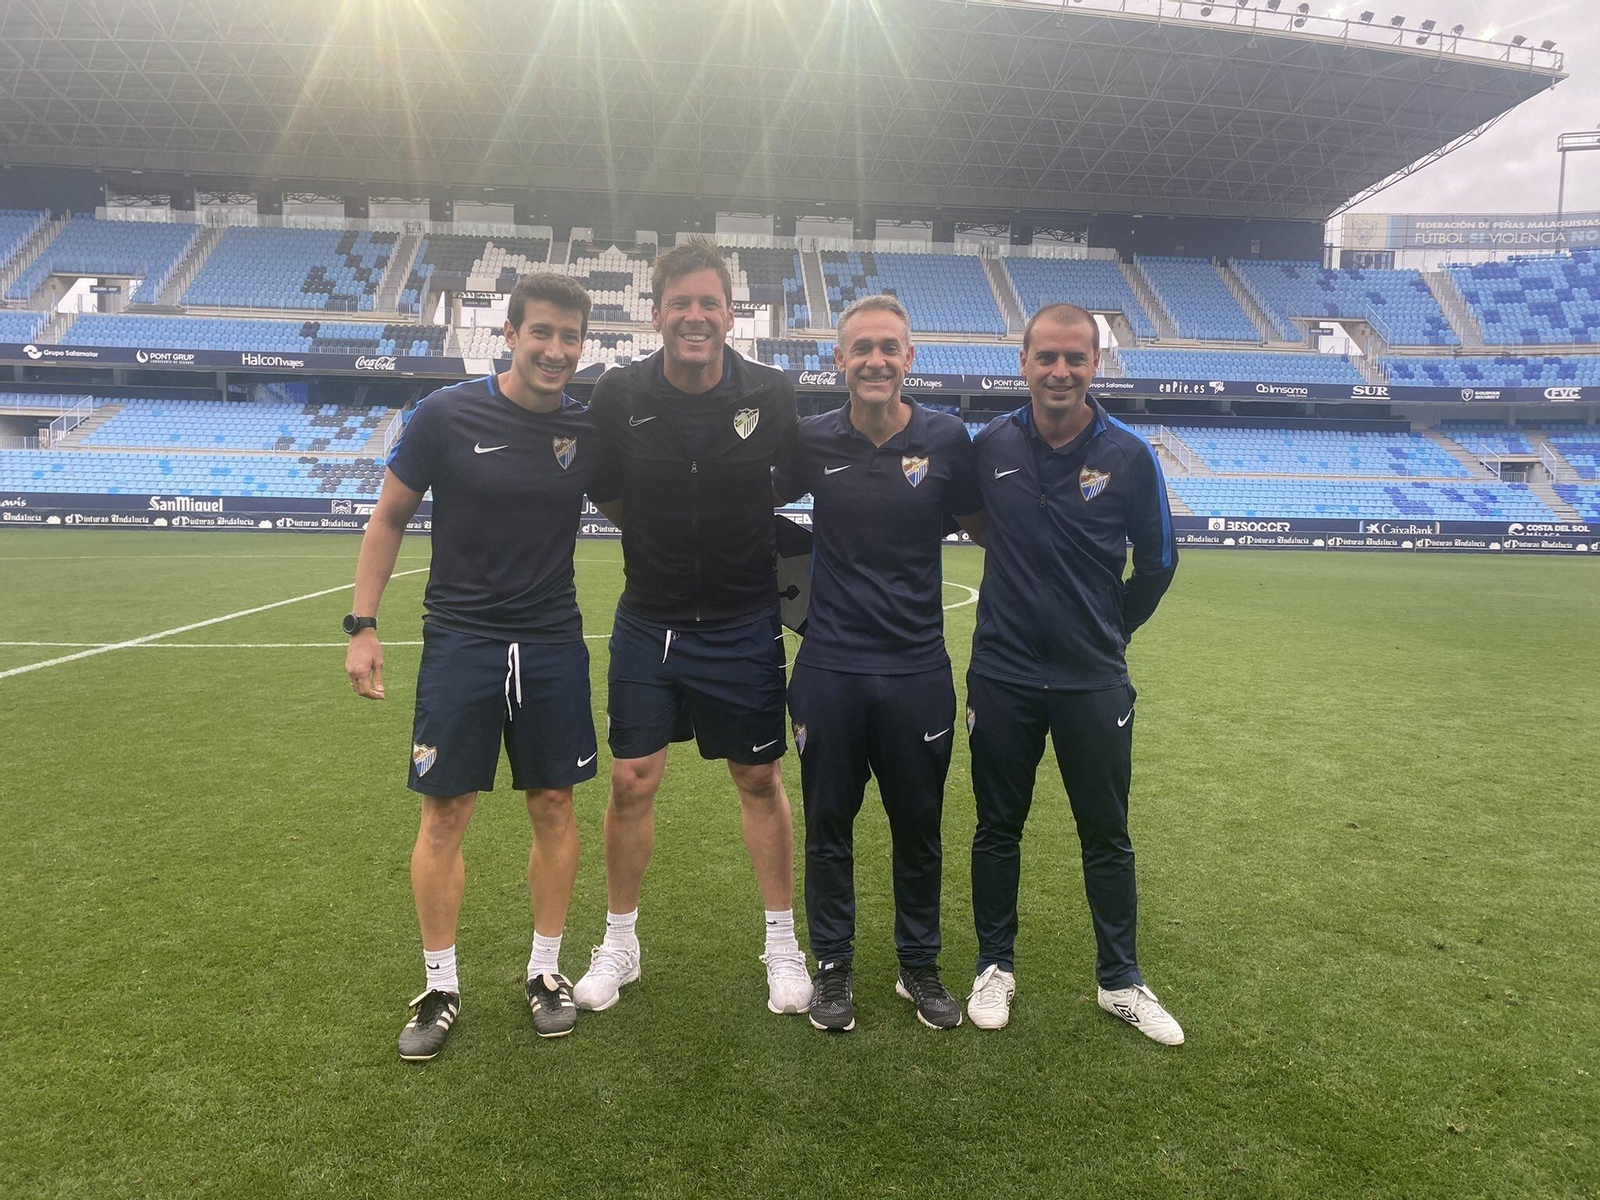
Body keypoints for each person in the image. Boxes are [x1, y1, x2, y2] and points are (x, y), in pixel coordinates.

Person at [345, 273, 600, 1061]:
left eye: (569, 337)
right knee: (444, 814)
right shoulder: (445, 415)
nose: (555, 350)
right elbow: (388, 515)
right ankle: (439, 985)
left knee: (554, 804)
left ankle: (545, 972)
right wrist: (362, 625)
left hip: (553, 640)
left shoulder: (588, 433)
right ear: (511, 334)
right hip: (462, 640)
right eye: (542, 333)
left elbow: (644, 510)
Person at [576, 237, 813, 1016]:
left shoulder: (771, 393)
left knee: (759, 779)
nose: (695, 316)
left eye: (709, 302)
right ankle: (620, 943)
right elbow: (607, 491)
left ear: (731, 313)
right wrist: (658, 536)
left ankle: (782, 944)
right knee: (630, 780)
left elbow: (792, 484)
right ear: (656, 314)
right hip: (650, 620)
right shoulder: (619, 394)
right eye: (680, 303)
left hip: (746, 622)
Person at [965, 302, 1183, 1043]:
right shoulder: (989, 442)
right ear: (1022, 363)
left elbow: (1158, 562)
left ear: (1095, 366)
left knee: (1106, 831)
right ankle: (995, 966)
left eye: (1075, 359)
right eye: (1046, 357)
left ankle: (1119, 979)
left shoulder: (1128, 454)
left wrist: (1110, 628)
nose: (1060, 371)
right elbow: (970, 521)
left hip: (1092, 678)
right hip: (1002, 672)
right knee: (998, 827)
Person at [774, 295, 985, 1033]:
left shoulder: (947, 439)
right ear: (838, 360)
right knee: (830, 823)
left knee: (918, 824)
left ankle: (918, 964)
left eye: (888, 347)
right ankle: (833, 968)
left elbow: (994, 527)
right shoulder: (810, 441)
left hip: (916, 669)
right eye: (860, 347)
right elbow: (746, 509)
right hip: (829, 668)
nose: (874, 360)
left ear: (909, 359)